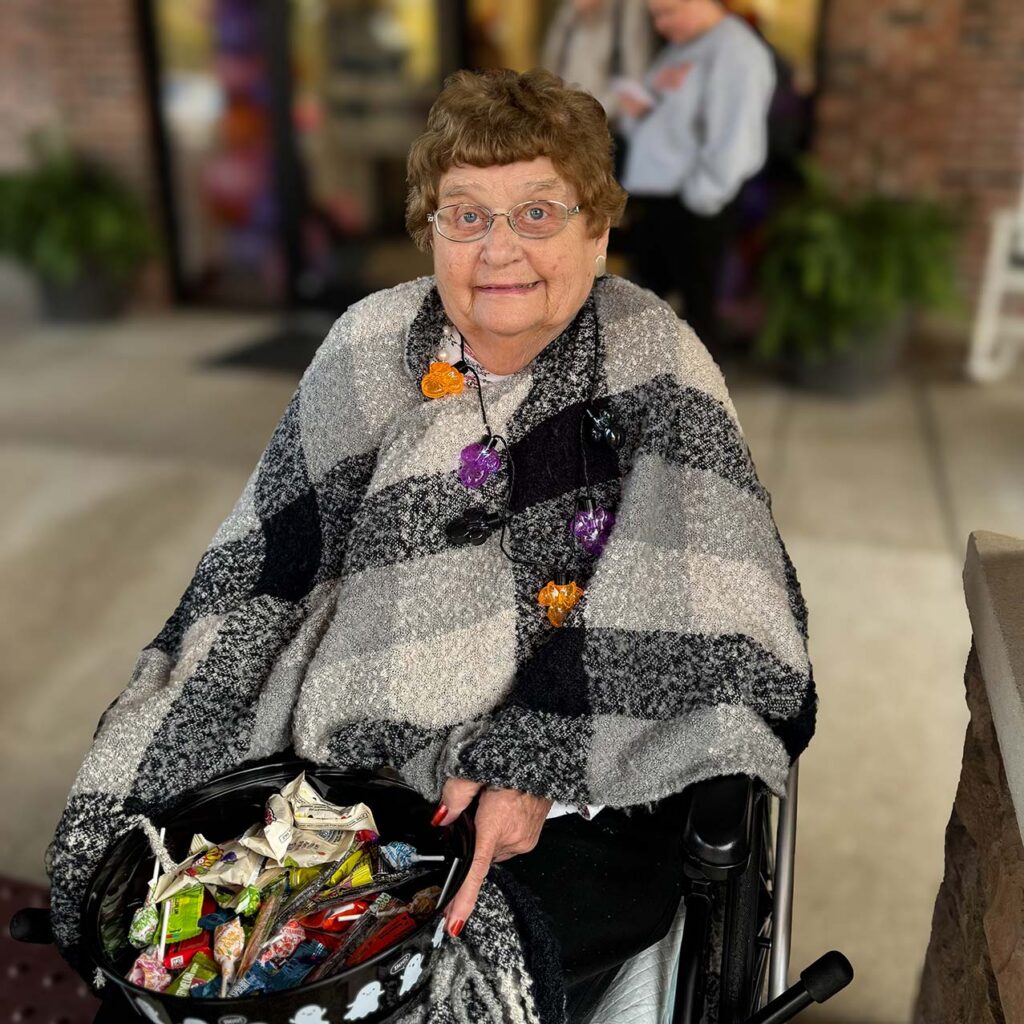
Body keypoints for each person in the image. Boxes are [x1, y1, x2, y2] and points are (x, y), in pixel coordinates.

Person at [48, 69, 814, 1020]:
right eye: (467, 215)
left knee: (439, 974)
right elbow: (266, 560)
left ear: (598, 229)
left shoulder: (654, 360)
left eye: (539, 212)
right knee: (189, 932)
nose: (500, 249)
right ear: (430, 230)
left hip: (577, 786)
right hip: (339, 762)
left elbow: (709, 601)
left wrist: (538, 761)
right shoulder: (370, 344)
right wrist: (197, 706)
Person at [618, 0, 776, 354]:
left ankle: (702, 397)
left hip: (695, 202)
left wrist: (700, 197)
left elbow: (735, 140)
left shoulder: (735, 50)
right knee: (645, 301)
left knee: (697, 308)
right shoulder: (681, 48)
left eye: (667, 12)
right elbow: (656, 114)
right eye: (655, 15)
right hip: (660, 198)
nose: (660, 25)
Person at [540, 0, 653, 119]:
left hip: (607, 120)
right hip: (566, 116)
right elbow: (550, 68)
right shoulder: (569, 12)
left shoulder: (628, 10)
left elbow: (635, 83)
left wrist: (589, 115)